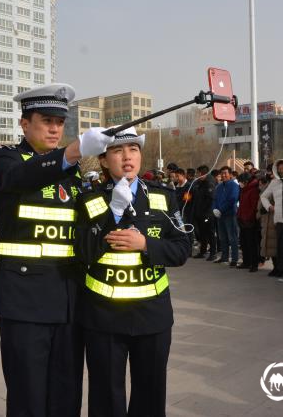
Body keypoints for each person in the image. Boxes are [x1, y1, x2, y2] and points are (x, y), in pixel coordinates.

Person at [0, 83, 111, 416]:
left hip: (69, 297)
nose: (55, 129)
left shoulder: (73, 174)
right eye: (46, 121)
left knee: (65, 391)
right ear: (25, 124)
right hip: (24, 299)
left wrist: (120, 202)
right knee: (28, 392)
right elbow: (17, 178)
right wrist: (71, 153)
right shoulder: (5, 159)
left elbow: (91, 222)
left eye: (60, 122)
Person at [74, 127, 190, 417]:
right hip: (103, 317)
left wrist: (145, 244)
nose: (127, 157)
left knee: (150, 395)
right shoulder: (89, 199)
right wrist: (112, 213)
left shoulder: (163, 196)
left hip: (152, 315)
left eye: (133, 149)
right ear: (103, 160)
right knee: (105, 396)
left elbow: (181, 250)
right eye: (117, 150)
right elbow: (84, 252)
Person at [213, 166, 240, 265]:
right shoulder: (219, 186)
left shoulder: (234, 185)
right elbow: (214, 199)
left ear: (230, 174)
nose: (223, 175)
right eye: (222, 173)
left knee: (232, 237)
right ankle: (224, 257)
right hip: (220, 216)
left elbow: (232, 199)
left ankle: (234, 259)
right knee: (222, 237)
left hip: (230, 214)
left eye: (225, 173)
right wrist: (214, 209)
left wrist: (220, 209)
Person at [236, 172, 260, 272]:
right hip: (242, 219)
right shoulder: (243, 189)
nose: (239, 184)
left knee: (252, 244)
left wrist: (248, 218)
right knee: (244, 243)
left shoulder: (253, 190)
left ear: (245, 181)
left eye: (240, 182)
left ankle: (254, 264)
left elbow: (253, 207)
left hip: (250, 221)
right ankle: (246, 262)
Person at [191, 165, 217, 259]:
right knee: (202, 233)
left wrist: (206, 212)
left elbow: (210, 199)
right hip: (200, 212)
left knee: (210, 233)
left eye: (198, 173)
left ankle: (213, 253)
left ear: (203, 173)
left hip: (207, 213)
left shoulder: (209, 183)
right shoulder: (199, 183)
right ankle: (203, 251)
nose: (197, 175)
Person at [257, 176, 278, 276]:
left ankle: (279, 267)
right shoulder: (269, 187)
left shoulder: (277, 187)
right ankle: (276, 267)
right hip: (267, 219)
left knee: (275, 245)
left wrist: (267, 208)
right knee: (270, 245)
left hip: (274, 219)